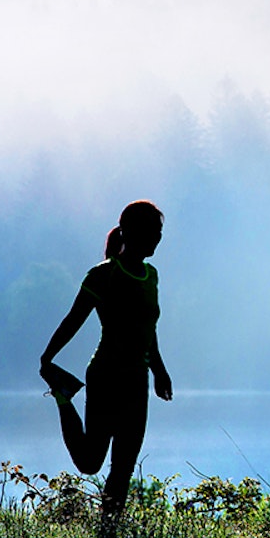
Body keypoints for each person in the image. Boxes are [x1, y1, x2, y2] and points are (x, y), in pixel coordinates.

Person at [39, 200, 173, 516]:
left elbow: (147, 330)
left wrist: (160, 371)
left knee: (123, 466)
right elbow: (74, 319)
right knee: (90, 463)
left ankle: (109, 536)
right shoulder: (104, 275)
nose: (157, 238)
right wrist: (48, 358)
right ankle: (62, 395)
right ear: (131, 232)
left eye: (159, 231)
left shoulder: (150, 276)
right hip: (107, 375)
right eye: (152, 231)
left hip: (137, 379)